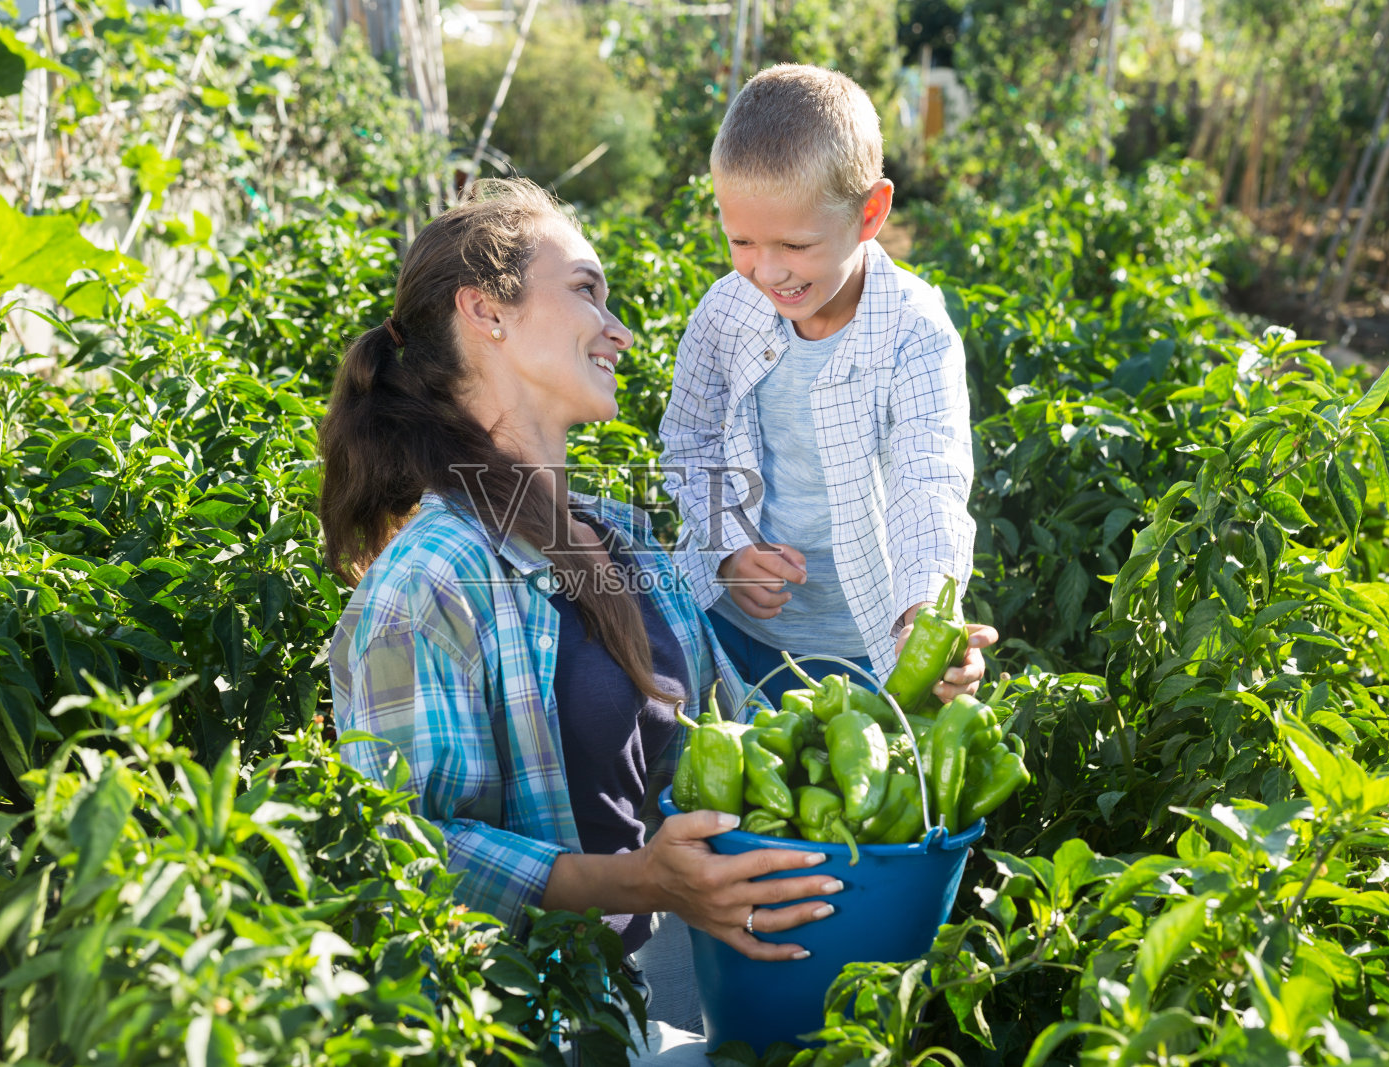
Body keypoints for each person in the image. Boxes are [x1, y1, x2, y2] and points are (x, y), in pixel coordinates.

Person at [320, 179, 842, 1037]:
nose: (619, 328)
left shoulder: (624, 535)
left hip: (676, 993)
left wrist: (911, 671)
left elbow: (729, 738)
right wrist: (640, 879)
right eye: (586, 290)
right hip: (538, 1024)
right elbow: (408, 851)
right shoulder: (433, 577)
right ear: (486, 312)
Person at [659, 65, 996, 706]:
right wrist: (729, 548)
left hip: (865, 638)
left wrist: (924, 615)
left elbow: (929, 479)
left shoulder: (914, 331)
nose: (768, 270)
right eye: (741, 241)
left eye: (796, 244)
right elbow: (689, 437)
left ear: (870, 212)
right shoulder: (727, 312)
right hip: (731, 624)